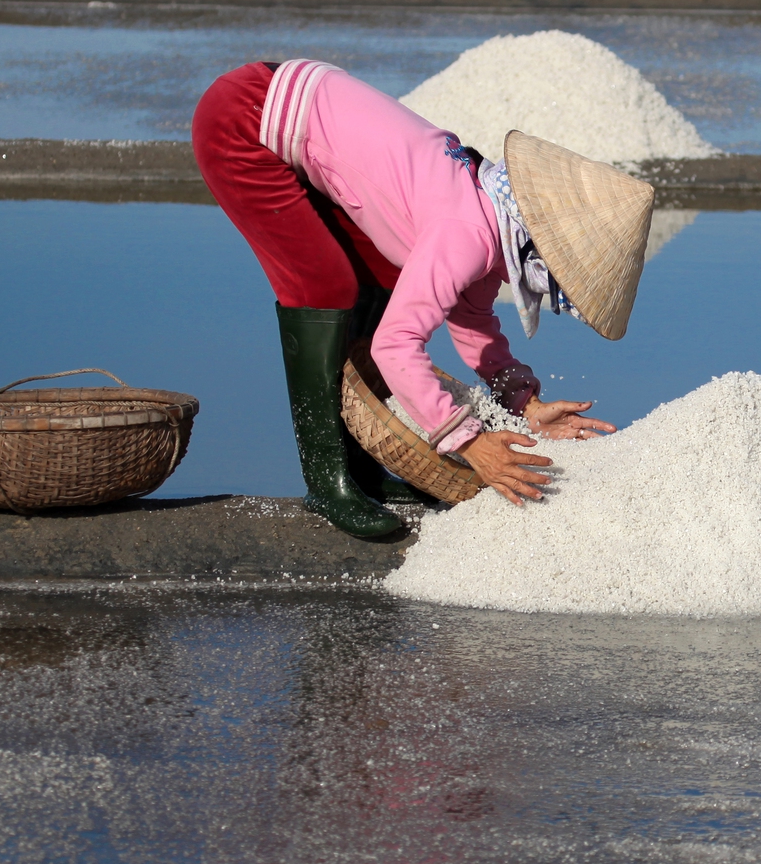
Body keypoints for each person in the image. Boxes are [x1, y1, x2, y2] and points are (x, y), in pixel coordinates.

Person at [192, 59, 655, 539]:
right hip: (245, 118)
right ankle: (326, 479)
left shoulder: (490, 213)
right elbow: (392, 347)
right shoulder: (466, 236)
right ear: (542, 258)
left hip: (295, 106)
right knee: (324, 287)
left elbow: (473, 320)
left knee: (384, 274)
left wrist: (525, 402)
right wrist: (470, 443)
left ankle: (365, 466)